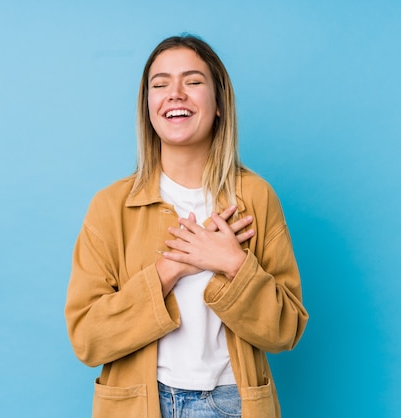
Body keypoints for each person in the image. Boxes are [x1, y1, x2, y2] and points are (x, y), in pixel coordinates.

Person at [65, 34, 308, 418]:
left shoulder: (256, 198)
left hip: (233, 403)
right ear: (148, 106)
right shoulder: (110, 207)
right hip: (141, 406)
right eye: (160, 84)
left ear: (219, 105)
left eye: (193, 81)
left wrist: (233, 264)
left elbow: (285, 330)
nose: (175, 93)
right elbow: (88, 340)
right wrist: (169, 269)